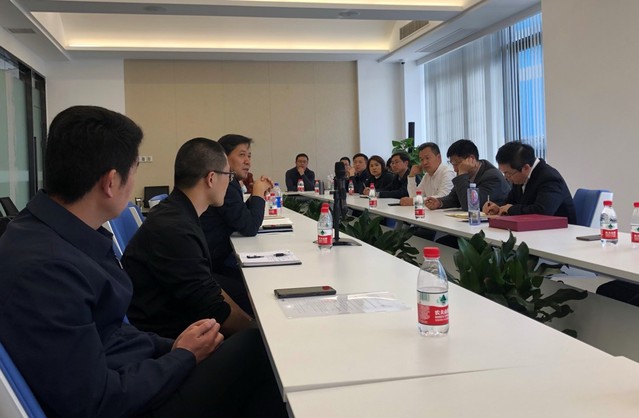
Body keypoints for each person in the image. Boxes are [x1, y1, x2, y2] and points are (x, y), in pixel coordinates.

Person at [0, 106, 286, 418]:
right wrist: (183, 356)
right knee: (265, 352)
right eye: (134, 170)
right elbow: (98, 400)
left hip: (134, 370)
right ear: (112, 182)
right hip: (127, 402)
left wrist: (172, 348)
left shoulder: (53, 234)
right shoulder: (48, 270)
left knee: (255, 349)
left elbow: (112, 332)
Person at [122, 137, 253, 339]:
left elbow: (208, 287)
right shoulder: (175, 229)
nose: (230, 182)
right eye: (229, 176)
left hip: (176, 321)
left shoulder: (177, 213)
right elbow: (214, 309)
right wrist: (257, 331)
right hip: (169, 340)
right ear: (211, 179)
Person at [200, 134, 273, 313]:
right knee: (256, 291)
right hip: (207, 267)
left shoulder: (230, 183)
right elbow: (249, 227)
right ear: (223, 158)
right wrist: (258, 193)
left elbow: (239, 217)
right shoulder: (226, 184)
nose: (248, 161)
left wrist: (256, 195)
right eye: (242, 155)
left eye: (249, 156)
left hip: (213, 259)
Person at [482, 141, 577, 223]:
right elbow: (510, 202)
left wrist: (511, 209)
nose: (506, 178)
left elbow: (542, 212)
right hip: (533, 230)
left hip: (559, 232)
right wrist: (498, 207)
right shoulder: (520, 177)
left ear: (526, 168)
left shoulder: (549, 178)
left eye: (508, 174)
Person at [425, 139, 510, 211]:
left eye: (456, 163)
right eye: (452, 164)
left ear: (471, 159)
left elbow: (471, 205)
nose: (455, 169)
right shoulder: (468, 173)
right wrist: (439, 202)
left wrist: (462, 174)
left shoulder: (492, 176)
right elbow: (455, 198)